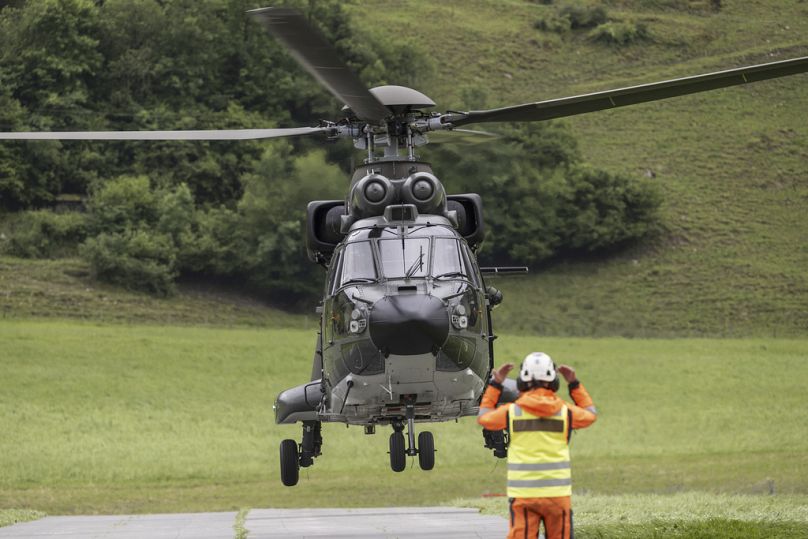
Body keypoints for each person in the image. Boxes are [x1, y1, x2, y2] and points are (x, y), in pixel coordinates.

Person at [477, 352, 597, 539]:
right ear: (553, 380)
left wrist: (495, 384)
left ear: (522, 380)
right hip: (558, 497)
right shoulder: (565, 411)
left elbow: (484, 417)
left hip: (524, 496)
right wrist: (574, 383)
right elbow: (590, 414)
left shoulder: (512, 412)